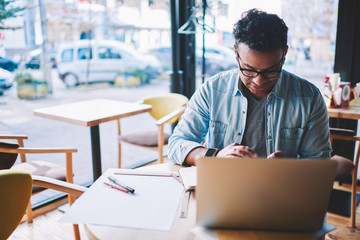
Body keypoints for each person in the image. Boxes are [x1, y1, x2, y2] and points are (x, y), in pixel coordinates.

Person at [167, 9, 332, 166]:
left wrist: (288, 169)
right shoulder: (212, 90)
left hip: (282, 188)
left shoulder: (309, 98)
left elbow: (319, 160)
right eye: (248, 70)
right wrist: (215, 157)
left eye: (270, 71)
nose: (258, 81)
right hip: (222, 186)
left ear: (285, 54)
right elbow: (177, 144)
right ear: (235, 52)